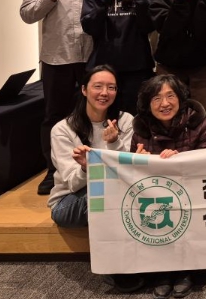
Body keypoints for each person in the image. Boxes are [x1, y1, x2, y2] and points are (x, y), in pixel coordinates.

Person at [20, 0, 101, 195]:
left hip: (93, 57)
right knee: (54, 115)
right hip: (57, 57)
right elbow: (27, 14)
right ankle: (53, 169)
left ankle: (95, 166)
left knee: (94, 113)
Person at [48, 65, 142, 293]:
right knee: (106, 195)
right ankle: (114, 266)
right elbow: (72, 183)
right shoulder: (63, 129)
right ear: (84, 90)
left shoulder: (125, 120)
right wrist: (87, 167)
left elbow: (127, 171)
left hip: (114, 192)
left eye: (111, 87)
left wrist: (114, 143)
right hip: (69, 201)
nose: (104, 93)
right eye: (97, 86)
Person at [131, 74, 206, 299]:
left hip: (192, 193)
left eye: (171, 96)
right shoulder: (140, 129)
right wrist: (139, 161)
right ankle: (162, 271)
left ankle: (185, 270)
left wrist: (180, 160)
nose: (165, 103)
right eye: (157, 98)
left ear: (181, 99)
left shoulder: (198, 123)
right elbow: (131, 175)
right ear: (147, 104)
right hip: (156, 195)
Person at [80, 0, 154, 114]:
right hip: (103, 69)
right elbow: (90, 27)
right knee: (104, 117)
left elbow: (148, 26)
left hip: (137, 69)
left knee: (137, 117)